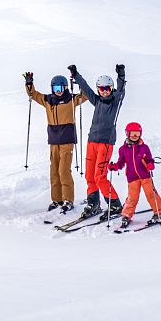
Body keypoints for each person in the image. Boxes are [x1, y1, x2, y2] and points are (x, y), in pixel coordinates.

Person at [67, 64, 126, 220]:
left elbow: (121, 91)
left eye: (107, 88)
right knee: (90, 176)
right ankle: (93, 204)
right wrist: (76, 75)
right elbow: (85, 88)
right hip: (91, 141)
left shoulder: (115, 102)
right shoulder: (97, 101)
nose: (104, 91)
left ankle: (115, 205)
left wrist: (121, 76)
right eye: (101, 89)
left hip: (106, 143)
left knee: (100, 176)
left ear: (112, 89)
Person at [23, 72, 87, 213]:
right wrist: (29, 83)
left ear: (65, 88)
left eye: (61, 88)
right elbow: (33, 94)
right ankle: (57, 200)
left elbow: (86, 95)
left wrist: (79, 81)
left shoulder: (71, 100)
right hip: (53, 141)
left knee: (64, 171)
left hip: (67, 141)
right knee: (54, 171)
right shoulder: (48, 100)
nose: (58, 91)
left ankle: (68, 200)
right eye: (55, 88)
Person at [108, 122, 161, 228]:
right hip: (132, 178)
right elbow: (121, 163)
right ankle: (126, 215)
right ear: (127, 134)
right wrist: (115, 167)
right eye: (132, 133)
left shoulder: (144, 148)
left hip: (145, 176)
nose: (135, 136)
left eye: (137, 133)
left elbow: (149, 160)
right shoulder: (123, 149)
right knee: (132, 198)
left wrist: (150, 164)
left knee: (151, 194)